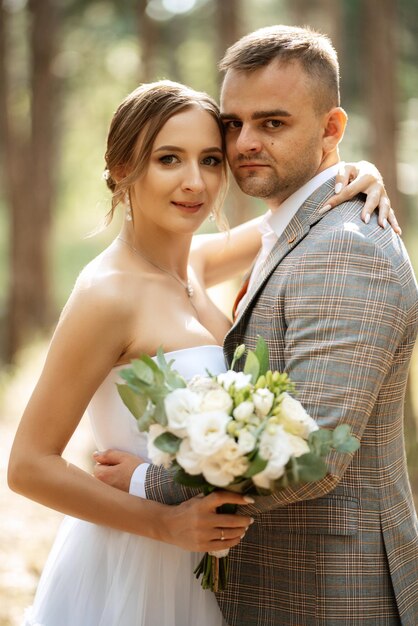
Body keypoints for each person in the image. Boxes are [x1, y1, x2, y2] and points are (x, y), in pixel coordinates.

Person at [8, 79, 395, 624]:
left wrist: (357, 172)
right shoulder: (107, 294)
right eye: (169, 159)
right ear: (123, 169)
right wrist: (163, 525)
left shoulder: (190, 264)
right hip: (132, 563)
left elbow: (295, 215)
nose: (195, 183)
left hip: (208, 567)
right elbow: (27, 466)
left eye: (210, 160)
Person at [96, 27, 418, 626]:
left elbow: (315, 454)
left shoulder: (347, 250)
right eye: (235, 124)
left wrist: (149, 481)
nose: (245, 143)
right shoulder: (281, 232)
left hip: (327, 594)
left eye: (273, 123)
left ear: (331, 129)